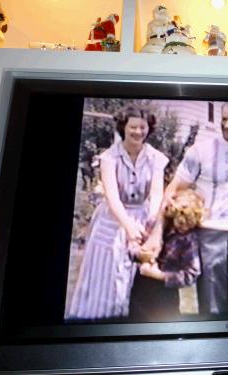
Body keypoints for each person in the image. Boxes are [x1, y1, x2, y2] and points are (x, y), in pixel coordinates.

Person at [143, 102, 228, 314]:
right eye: (224, 119)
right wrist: (157, 233)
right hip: (211, 234)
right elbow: (173, 190)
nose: (227, 125)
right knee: (212, 307)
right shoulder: (201, 151)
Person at [66, 106, 169, 320]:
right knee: (107, 274)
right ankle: (99, 319)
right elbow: (112, 197)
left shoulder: (156, 158)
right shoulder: (109, 158)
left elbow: (157, 194)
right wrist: (128, 225)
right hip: (112, 221)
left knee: (135, 276)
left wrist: (152, 223)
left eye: (143, 127)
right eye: (133, 127)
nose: (138, 132)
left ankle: (129, 320)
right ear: (124, 127)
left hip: (142, 217)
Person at [129, 189, 204, 321]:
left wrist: (160, 275)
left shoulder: (189, 240)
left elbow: (191, 274)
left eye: (186, 225)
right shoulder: (154, 224)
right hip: (140, 287)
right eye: (178, 222)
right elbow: (131, 247)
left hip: (165, 293)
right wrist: (140, 254)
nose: (181, 228)